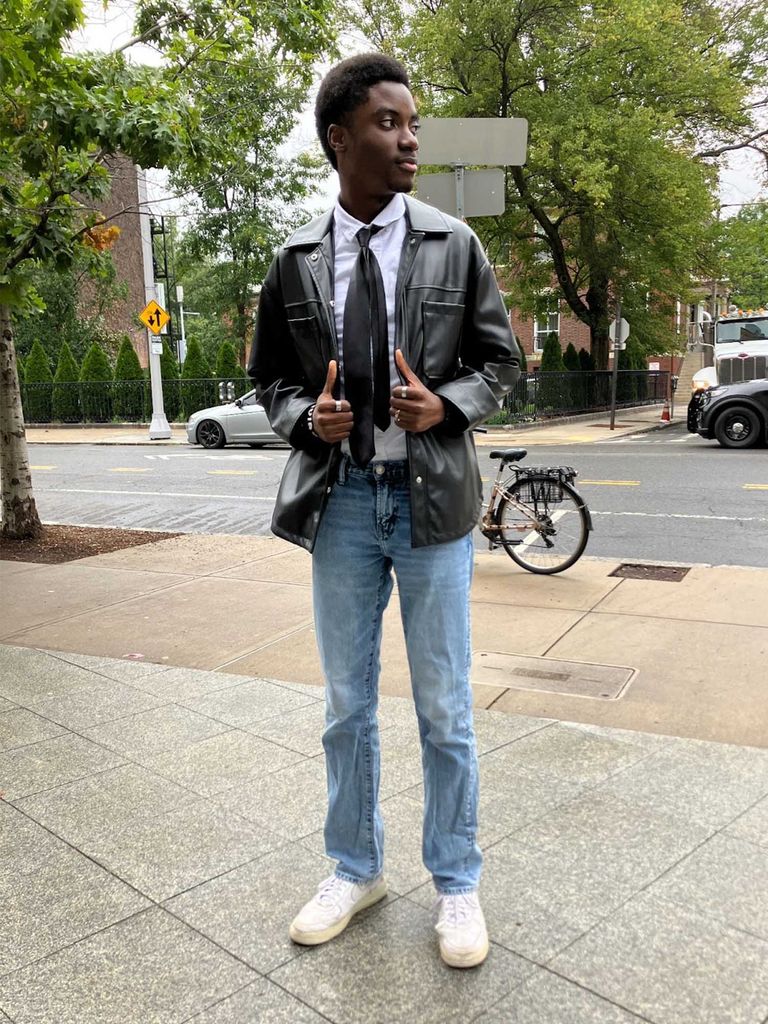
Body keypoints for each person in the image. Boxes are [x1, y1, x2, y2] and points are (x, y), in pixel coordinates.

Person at [248, 52, 520, 968]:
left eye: (413, 123)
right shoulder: (293, 261)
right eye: (390, 123)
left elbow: (501, 363)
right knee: (345, 707)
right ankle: (354, 868)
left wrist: (447, 406)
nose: (411, 138)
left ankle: (457, 886)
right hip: (346, 504)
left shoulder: (455, 243)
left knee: (445, 708)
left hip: (433, 503)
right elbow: (273, 382)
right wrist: (307, 420)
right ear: (340, 138)